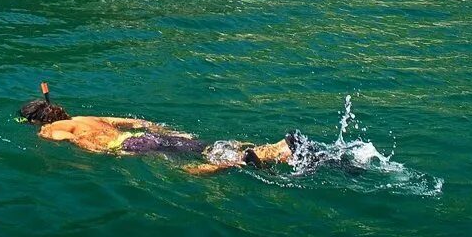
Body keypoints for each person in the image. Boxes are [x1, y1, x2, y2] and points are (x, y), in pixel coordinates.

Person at [17, 82, 296, 174]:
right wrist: (154, 126)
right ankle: (278, 148)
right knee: (206, 148)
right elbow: (122, 120)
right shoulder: (82, 118)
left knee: (191, 172)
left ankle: (236, 162)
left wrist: (44, 139)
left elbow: (72, 143)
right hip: (142, 136)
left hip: (129, 147)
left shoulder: (51, 129)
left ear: (38, 120)